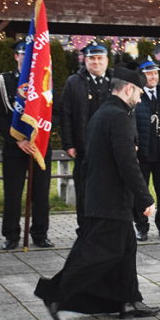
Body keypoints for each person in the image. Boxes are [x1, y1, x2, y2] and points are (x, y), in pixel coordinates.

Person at [35, 66, 159, 320]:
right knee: (96, 255)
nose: (139, 97)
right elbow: (127, 163)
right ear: (128, 89)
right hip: (110, 202)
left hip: (101, 198)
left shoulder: (102, 114)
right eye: (138, 92)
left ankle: (129, 300)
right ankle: (55, 295)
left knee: (126, 249)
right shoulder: (119, 117)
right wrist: (145, 197)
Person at [0, 39, 59, 250]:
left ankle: (40, 234)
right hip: (15, 147)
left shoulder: (45, 80)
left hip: (39, 146)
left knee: (41, 193)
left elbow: (54, 112)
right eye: (23, 54)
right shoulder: (5, 81)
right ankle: (11, 236)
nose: (27, 57)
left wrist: (39, 135)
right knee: (12, 194)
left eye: (31, 54)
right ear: (16, 56)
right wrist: (18, 140)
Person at [60, 40, 113, 231]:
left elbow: (129, 113)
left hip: (110, 148)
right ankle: (84, 228)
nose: (96, 62)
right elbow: (65, 114)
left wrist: (132, 141)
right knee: (84, 191)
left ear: (107, 60)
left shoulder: (115, 82)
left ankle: (105, 227)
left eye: (100, 58)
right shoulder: (74, 82)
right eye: (92, 59)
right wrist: (68, 143)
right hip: (84, 148)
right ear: (85, 61)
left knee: (108, 190)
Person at [134, 55, 160, 241]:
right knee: (141, 192)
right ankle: (142, 227)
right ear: (142, 76)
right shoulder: (135, 94)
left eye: (155, 73)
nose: (153, 77)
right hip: (143, 152)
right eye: (149, 74)